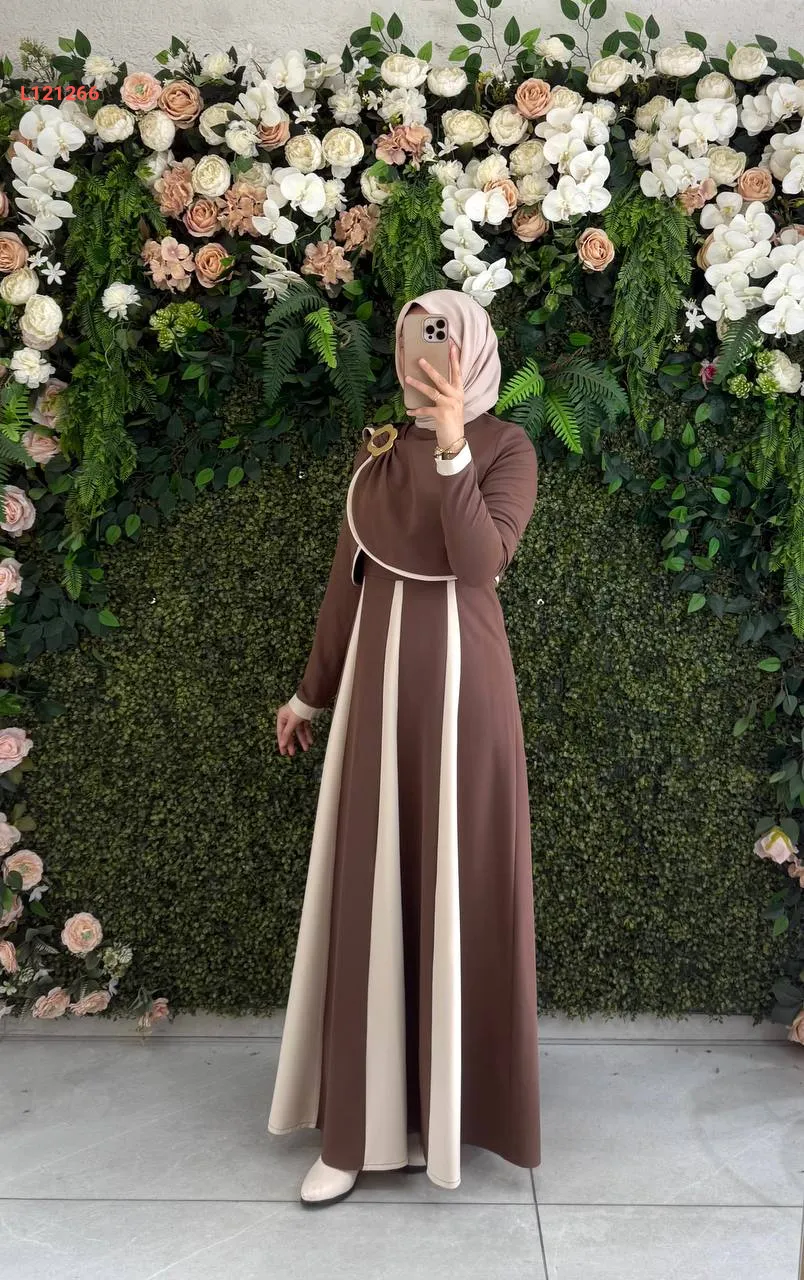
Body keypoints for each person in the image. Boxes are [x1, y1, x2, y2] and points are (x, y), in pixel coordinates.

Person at [270, 288, 541, 1207]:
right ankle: (355, 1130)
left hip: (467, 698)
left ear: (473, 347)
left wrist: (456, 442)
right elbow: (346, 582)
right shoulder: (378, 452)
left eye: (443, 336)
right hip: (377, 699)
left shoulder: (508, 448)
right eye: (415, 337)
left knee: (459, 891)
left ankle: (448, 1115)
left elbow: (479, 562)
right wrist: (310, 692)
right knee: (371, 890)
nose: (427, 352)